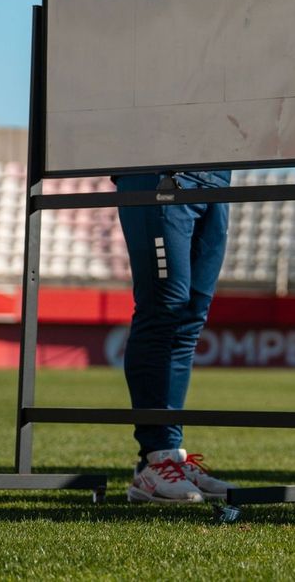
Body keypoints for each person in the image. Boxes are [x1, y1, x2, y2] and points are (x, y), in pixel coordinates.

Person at [117, 168, 234, 503]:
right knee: (163, 310)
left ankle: (168, 457)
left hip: (215, 177)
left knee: (190, 317)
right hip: (157, 172)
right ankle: (156, 457)